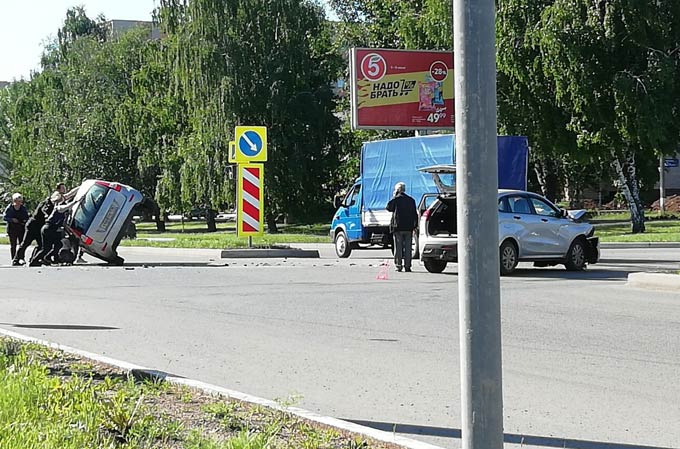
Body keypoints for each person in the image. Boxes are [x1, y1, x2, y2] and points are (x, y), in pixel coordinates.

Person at [386, 182, 418, 272]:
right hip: (408, 227)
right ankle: (407, 266)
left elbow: (388, 208)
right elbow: (415, 214)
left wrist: (394, 196)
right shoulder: (411, 200)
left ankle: (398, 265)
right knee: (408, 248)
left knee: (398, 247)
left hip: (398, 227)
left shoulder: (396, 199)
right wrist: (415, 225)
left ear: (397, 190)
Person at [4, 193, 29, 261]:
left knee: (22, 244)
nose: (19, 203)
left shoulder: (23, 208)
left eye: (20, 201)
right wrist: (12, 219)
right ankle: (14, 259)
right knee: (13, 245)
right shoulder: (10, 208)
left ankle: (21, 258)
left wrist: (24, 220)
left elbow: (26, 217)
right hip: (12, 229)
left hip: (21, 228)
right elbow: (5, 217)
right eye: (18, 201)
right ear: (14, 200)